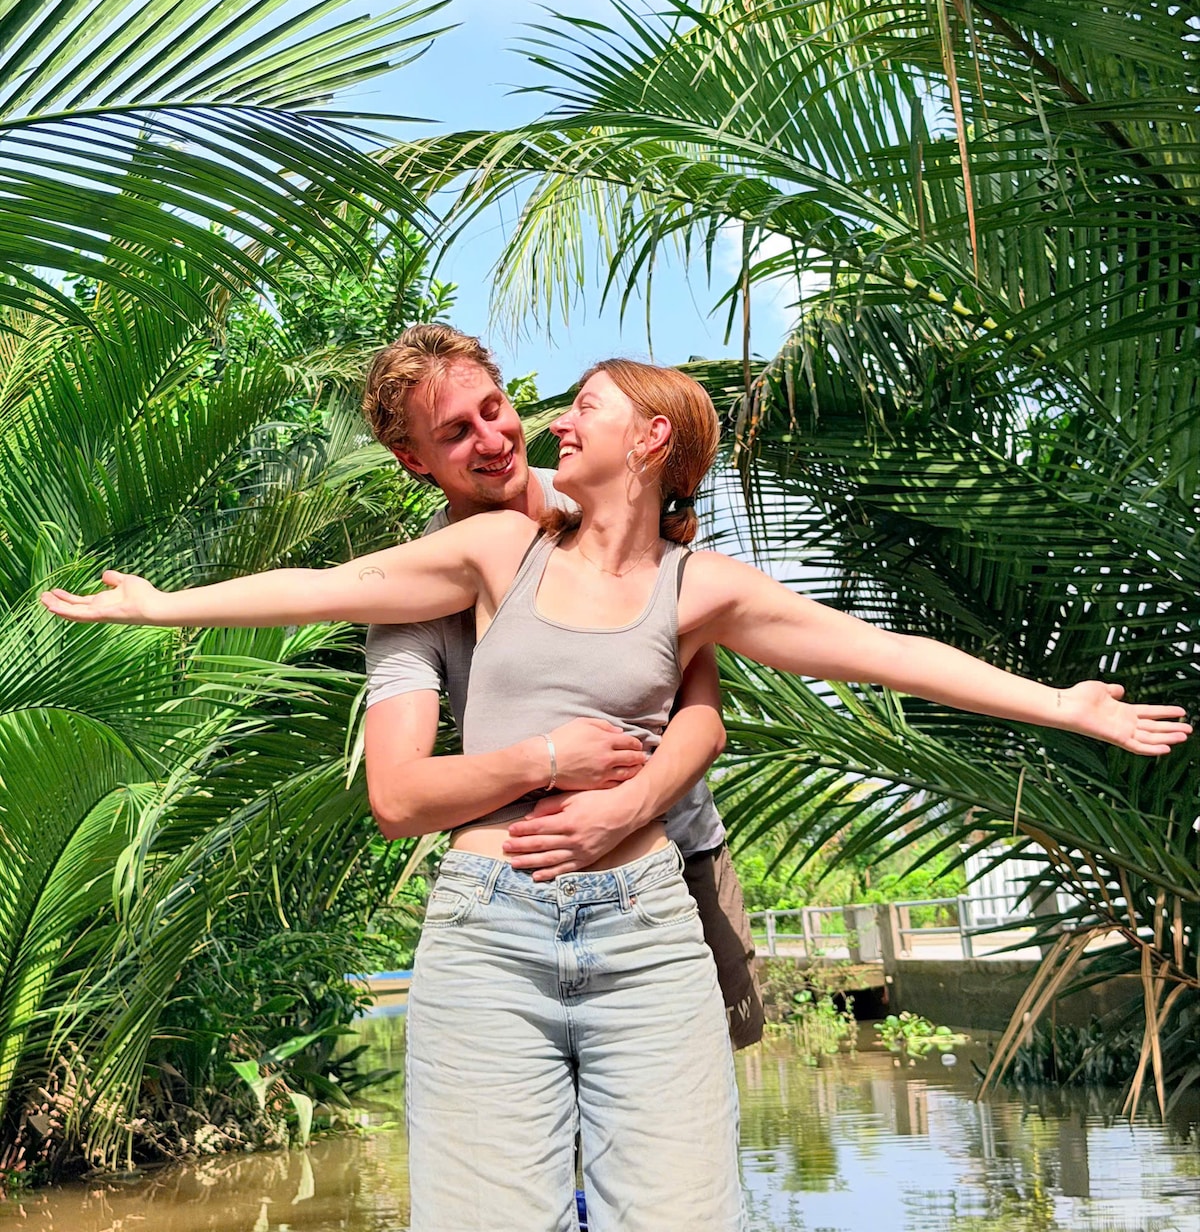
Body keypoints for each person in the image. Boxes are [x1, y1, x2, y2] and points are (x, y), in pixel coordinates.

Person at [41, 360, 1191, 1232]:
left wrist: (1062, 703)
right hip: (493, 921)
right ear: (418, 460)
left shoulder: (693, 582)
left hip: (656, 909)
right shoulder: (487, 553)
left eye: (544, 409)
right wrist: (164, 607)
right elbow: (332, 593)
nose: (527, 430)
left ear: (647, 440)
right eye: (464, 429)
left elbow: (866, 656)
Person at [358, 323, 764, 1048]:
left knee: (694, 1103)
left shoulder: (603, 497)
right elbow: (396, 798)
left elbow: (702, 716)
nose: (492, 439)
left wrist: (626, 807)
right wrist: (547, 759)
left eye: (493, 409)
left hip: (679, 856)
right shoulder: (411, 591)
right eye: (456, 433)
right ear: (412, 458)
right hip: (521, 886)